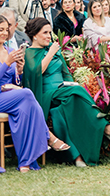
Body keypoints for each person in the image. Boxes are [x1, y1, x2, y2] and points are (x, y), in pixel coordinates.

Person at [23, 17, 110, 167]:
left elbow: (65, 72)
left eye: (50, 32)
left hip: (63, 91)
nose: (49, 36)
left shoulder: (54, 50)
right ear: (35, 35)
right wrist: (50, 53)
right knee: (77, 90)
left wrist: (71, 82)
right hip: (46, 94)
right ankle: (105, 127)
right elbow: (36, 72)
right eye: (45, 33)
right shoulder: (30, 52)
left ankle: (78, 156)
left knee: (62, 109)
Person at [0, 15, 68, 171]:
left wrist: (19, 71)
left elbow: (16, 82)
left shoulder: (10, 50)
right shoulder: (9, 56)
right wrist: (7, 63)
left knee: (26, 109)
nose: (4, 33)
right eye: (0, 30)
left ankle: (25, 162)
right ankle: (49, 137)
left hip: (10, 95)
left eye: (6, 29)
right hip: (4, 96)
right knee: (27, 94)